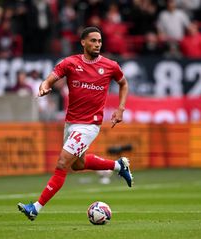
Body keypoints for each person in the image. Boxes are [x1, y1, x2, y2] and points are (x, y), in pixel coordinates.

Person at [18, 26, 133, 221]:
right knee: (78, 165)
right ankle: (118, 165)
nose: (97, 44)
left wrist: (120, 108)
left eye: (99, 41)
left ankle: (35, 208)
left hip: (90, 125)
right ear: (83, 42)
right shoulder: (70, 63)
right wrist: (44, 87)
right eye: (93, 41)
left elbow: (123, 83)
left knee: (63, 163)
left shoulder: (110, 65)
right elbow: (50, 79)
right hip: (71, 123)